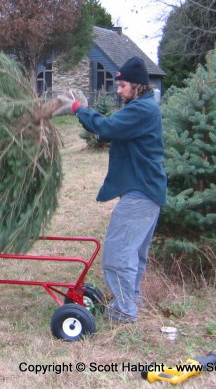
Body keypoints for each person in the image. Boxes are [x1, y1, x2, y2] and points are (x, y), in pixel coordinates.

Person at [54, 57, 167, 323]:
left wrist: (78, 108)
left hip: (141, 194)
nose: (118, 90)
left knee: (117, 254)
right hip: (146, 193)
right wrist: (84, 112)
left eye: (123, 85)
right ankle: (130, 302)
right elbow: (105, 133)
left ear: (137, 86)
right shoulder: (141, 108)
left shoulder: (142, 110)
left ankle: (125, 311)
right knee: (133, 254)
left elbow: (105, 127)